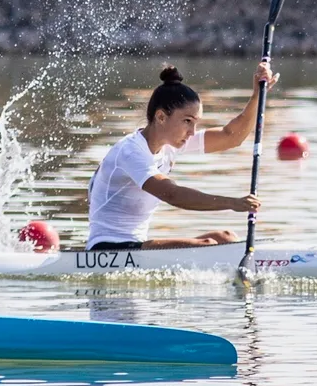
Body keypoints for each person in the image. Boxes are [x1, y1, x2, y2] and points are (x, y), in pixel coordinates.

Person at [84, 63, 278, 251]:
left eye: (196, 123)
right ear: (161, 117)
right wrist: (233, 203)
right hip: (107, 248)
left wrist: (257, 96)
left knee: (225, 238)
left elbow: (231, 137)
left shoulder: (170, 143)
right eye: (187, 121)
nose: (192, 132)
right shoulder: (131, 152)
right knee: (208, 247)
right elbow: (172, 194)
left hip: (136, 245)